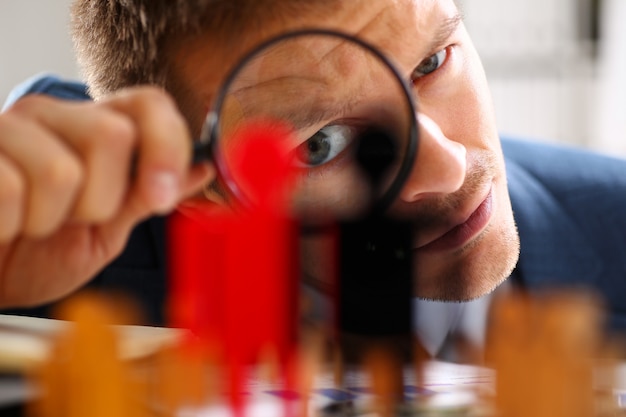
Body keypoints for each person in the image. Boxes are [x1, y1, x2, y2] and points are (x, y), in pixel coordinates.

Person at [1, 0, 625, 356]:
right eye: (320, 144)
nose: (448, 169)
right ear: (199, 194)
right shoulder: (41, 261)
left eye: (431, 63)